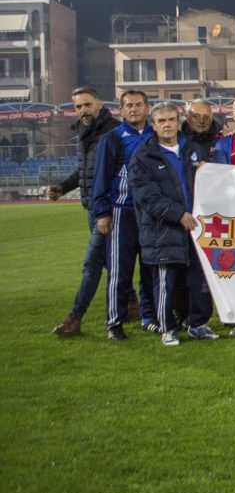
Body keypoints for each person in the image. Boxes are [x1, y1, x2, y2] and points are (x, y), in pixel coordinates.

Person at [127, 103, 218, 346]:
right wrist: (179, 214)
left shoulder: (194, 150)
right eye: (161, 121)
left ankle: (198, 324)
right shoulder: (143, 157)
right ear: (154, 126)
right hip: (164, 229)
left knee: (199, 279)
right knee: (166, 281)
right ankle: (168, 328)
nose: (167, 125)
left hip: (197, 227)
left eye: (171, 120)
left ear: (179, 123)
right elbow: (147, 197)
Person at [48, 87, 120, 337]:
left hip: (108, 210)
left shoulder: (112, 131)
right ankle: (131, 304)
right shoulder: (84, 132)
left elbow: (111, 172)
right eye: (78, 107)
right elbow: (85, 171)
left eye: (87, 105)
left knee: (92, 262)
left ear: (99, 104)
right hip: (93, 207)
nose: (83, 110)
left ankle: (75, 317)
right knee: (111, 263)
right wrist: (63, 187)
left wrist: (105, 210)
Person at [90, 89, 157, 340]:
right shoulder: (113, 138)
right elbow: (101, 177)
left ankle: (149, 318)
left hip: (151, 214)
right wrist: (102, 212)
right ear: (121, 110)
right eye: (128, 105)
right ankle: (114, 323)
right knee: (120, 270)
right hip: (122, 212)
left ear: (147, 108)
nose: (133, 109)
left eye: (138, 104)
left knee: (151, 267)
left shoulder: (156, 134)